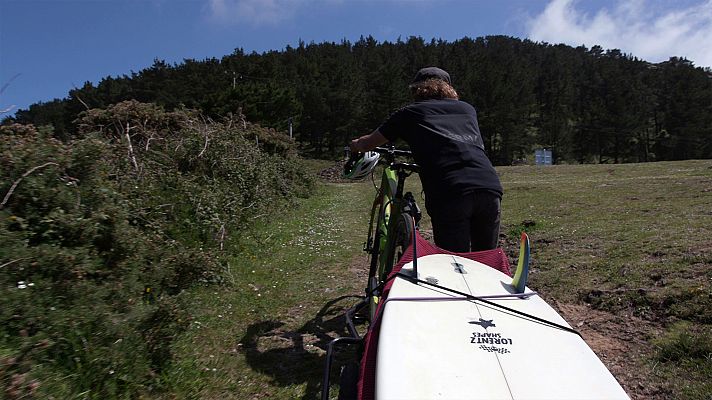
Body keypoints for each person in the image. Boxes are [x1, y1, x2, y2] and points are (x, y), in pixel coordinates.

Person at [350, 67, 503, 252]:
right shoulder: (467, 109)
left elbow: (369, 143)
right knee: (486, 262)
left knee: (455, 265)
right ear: (449, 88)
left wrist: (356, 144)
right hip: (489, 187)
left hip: (450, 191)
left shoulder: (409, 113)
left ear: (416, 89)